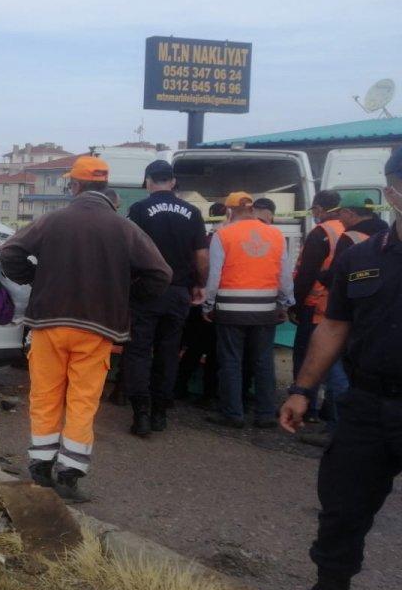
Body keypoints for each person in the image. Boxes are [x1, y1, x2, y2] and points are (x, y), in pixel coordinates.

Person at [0, 156, 171, 502]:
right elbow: (160, 274)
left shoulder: (52, 220)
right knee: (82, 400)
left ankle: (40, 469)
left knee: (45, 395)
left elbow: (10, 252)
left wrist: (36, 279)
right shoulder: (124, 227)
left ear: (75, 186)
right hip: (97, 327)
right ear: (106, 187)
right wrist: (124, 296)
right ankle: (69, 476)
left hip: (49, 323)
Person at [279, 146, 402, 590]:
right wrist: (301, 390)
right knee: (342, 506)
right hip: (367, 403)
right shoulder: (362, 257)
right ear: (392, 193)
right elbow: (333, 327)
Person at [123, 160, 208, 436]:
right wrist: (200, 284)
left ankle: (141, 415)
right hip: (178, 291)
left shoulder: (138, 210)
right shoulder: (193, 212)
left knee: (138, 351)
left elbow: (127, 251)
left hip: (145, 290)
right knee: (168, 352)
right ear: (172, 182)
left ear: (148, 181)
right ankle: (160, 413)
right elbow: (202, 256)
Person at [203, 192, 292, 429]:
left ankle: (233, 413)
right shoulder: (275, 234)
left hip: (230, 310)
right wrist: (285, 303)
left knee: (231, 361)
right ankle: (265, 414)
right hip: (265, 310)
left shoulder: (223, 234)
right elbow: (284, 275)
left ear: (229, 211)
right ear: (252, 209)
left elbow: (215, 275)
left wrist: (208, 305)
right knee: (264, 361)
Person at [290, 189, 345, 423]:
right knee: (335, 359)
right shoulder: (346, 229)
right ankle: (329, 411)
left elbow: (307, 273)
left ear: (320, 209)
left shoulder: (320, 233)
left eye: (314, 209)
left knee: (307, 357)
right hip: (338, 305)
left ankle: (306, 408)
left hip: (315, 305)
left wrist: (295, 303)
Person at [176, 202, 227, 405]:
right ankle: (209, 394)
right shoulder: (226, 238)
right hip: (219, 301)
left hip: (201, 299)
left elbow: (200, 265)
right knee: (213, 350)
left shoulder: (209, 239)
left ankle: (179, 387)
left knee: (195, 347)